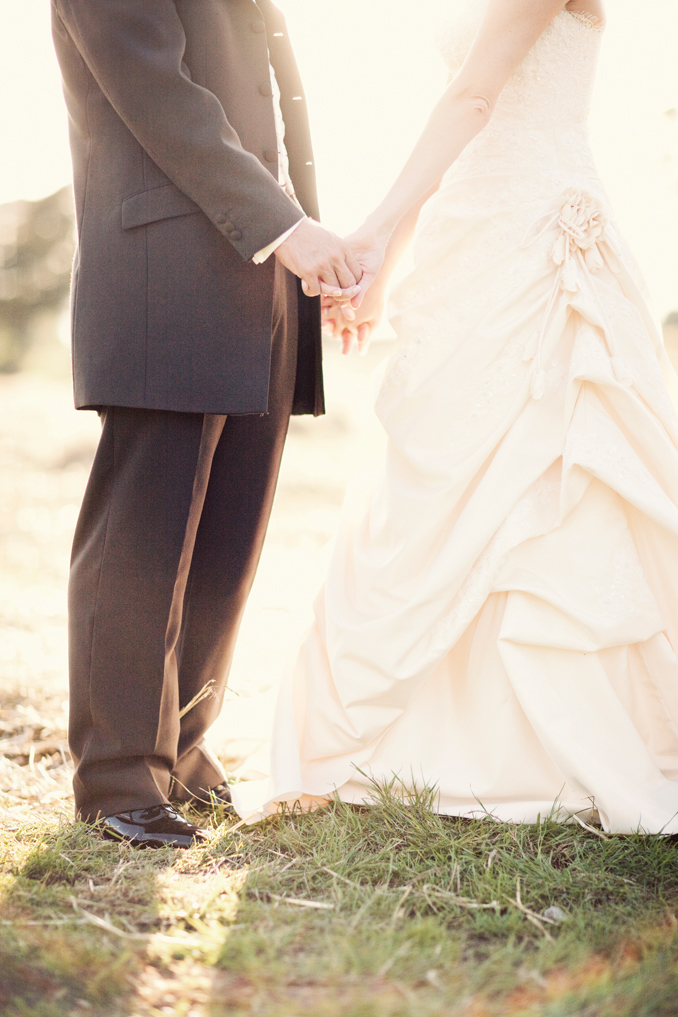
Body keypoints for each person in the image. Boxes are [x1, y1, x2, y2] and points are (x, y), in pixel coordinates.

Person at [232, 0, 678, 837]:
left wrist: (367, 234)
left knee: (558, 462)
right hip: (474, 218)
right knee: (445, 458)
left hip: (541, 231)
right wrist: (385, 266)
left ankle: (557, 745)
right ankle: (439, 736)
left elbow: (474, 97)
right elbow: (459, 115)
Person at [51, 0, 381, 849]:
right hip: (166, 260)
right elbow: (154, 85)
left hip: (258, 266)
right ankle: (120, 776)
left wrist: (296, 244)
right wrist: (285, 226)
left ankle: (181, 753)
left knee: (227, 534)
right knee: (145, 528)